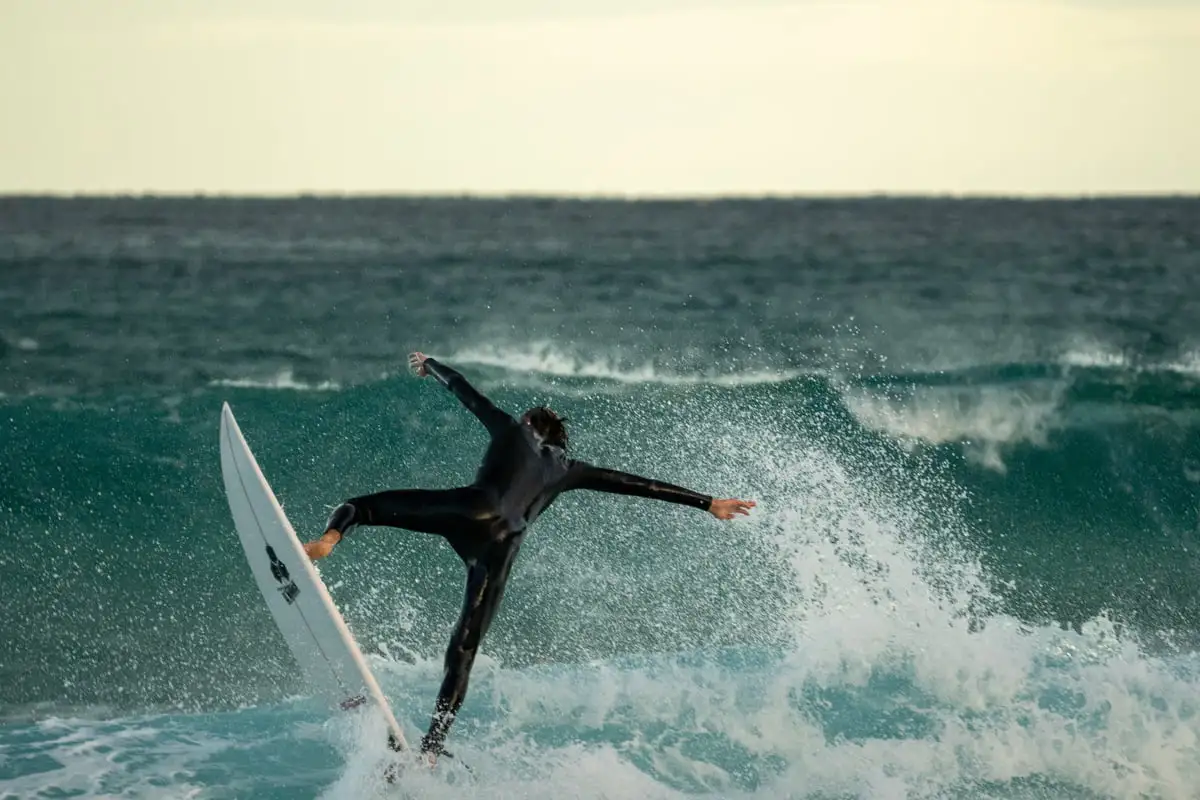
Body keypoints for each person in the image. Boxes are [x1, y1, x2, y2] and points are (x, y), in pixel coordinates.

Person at [302, 352, 756, 763]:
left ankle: (327, 541)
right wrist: (707, 502)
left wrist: (430, 364)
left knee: (361, 507)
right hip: (501, 547)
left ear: (529, 424)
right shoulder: (567, 470)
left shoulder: (509, 427)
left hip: (472, 510)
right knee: (463, 649)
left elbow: (465, 391)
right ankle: (432, 751)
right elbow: (636, 484)